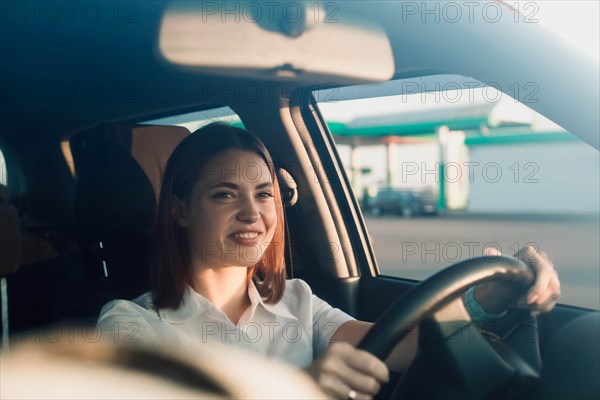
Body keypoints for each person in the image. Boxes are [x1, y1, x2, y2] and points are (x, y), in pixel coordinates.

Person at [98, 123, 561, 399]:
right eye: (224, 195)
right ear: (179, 210)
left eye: (264, 195)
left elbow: (399, 344)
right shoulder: (131, 325)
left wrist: (487, 298)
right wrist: (299, 388)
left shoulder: (298, 302)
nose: (252, 214)